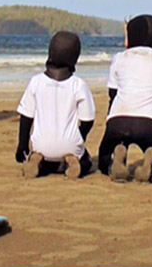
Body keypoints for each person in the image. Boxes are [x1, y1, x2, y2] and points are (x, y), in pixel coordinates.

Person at [97, 14, 152, 183]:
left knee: (103, 163)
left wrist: (109, 128)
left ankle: (116, 156)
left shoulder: (119, 58)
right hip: (148, 124)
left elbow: (113, 98)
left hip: (117, 122)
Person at [15, 32, 96, 178]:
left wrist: (22, 145)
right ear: (75, 58)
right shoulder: (78, 85)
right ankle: (72, 164)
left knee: (45, 161)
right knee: (87, 161)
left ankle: (36, 160)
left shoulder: (36, 82)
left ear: (50, 52)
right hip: (70, 146)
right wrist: (79, 137)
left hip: (41, 146)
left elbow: (26, 117)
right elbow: (87, 121)